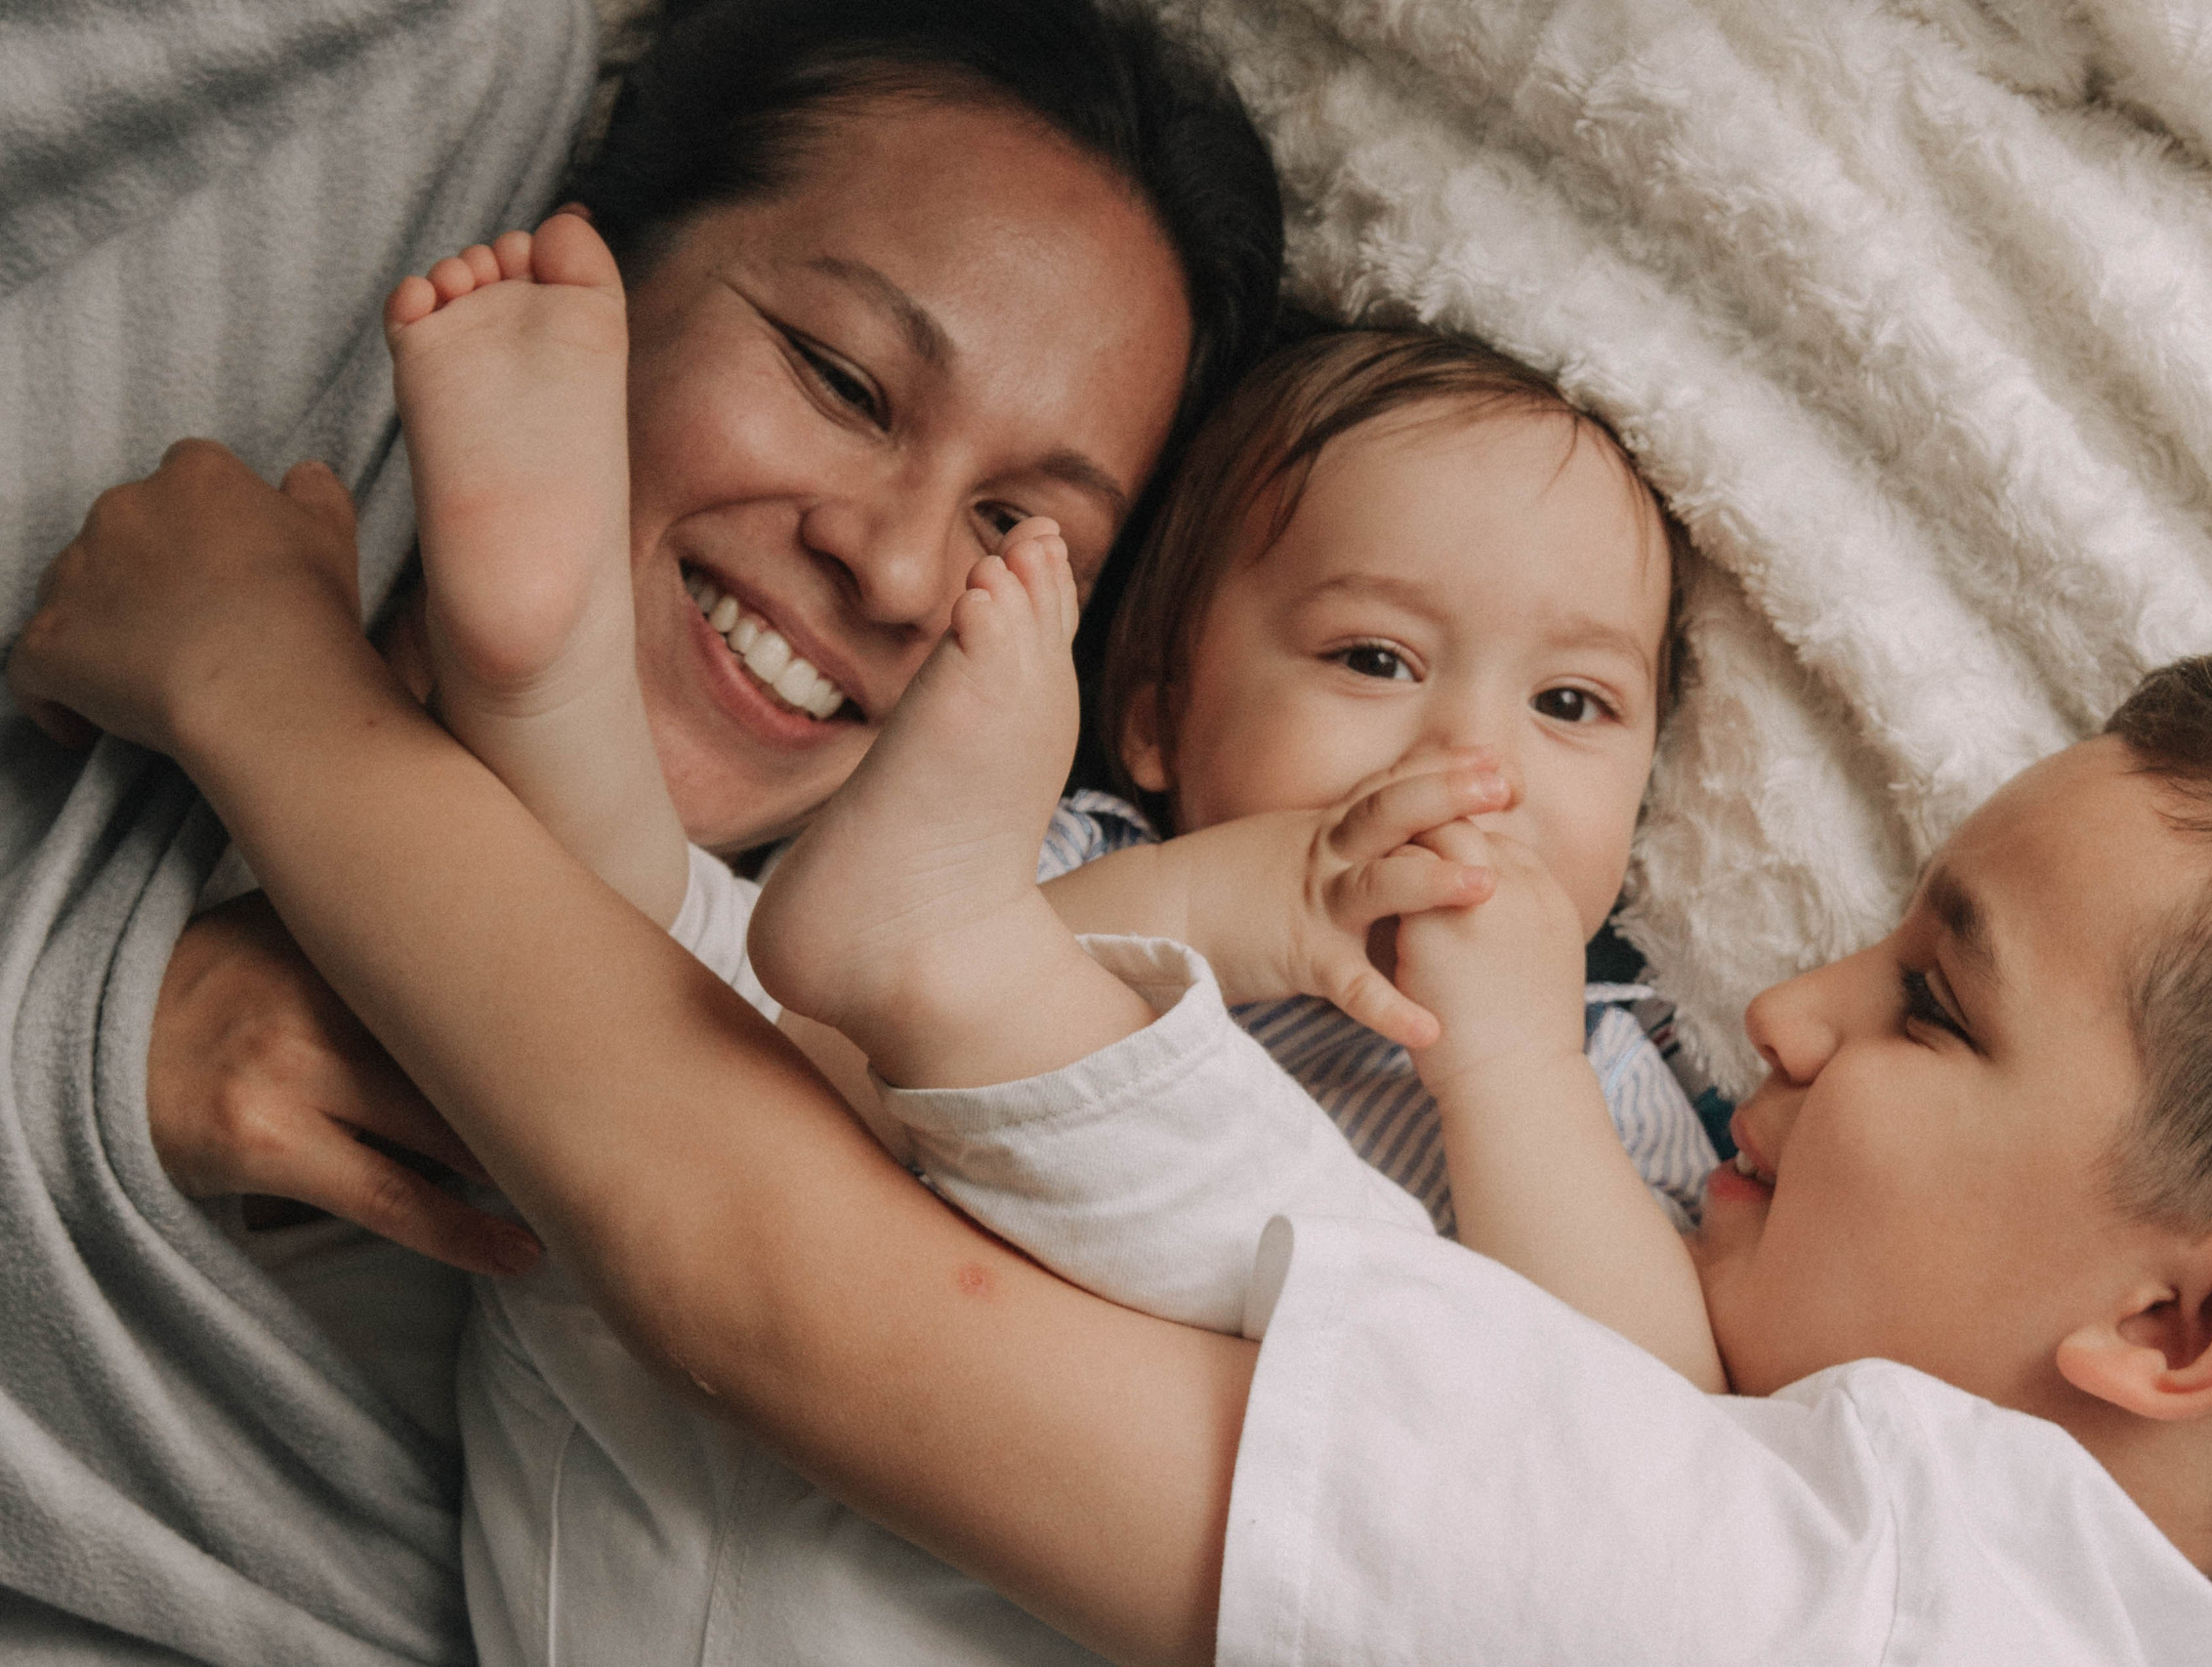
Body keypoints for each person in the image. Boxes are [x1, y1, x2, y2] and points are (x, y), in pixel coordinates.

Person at [27, 301, 2212, 1665]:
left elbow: (762, 1278)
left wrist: (263, 684)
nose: (1788, 1009)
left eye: (1936, 1007)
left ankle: (793, 861)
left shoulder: (1865, 1611)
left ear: (2184, 1333)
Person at [0, 0, 1281, 1658]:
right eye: (841, 379)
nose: (895, 572)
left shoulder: (845, 1062)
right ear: (589, 257)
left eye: (1021, 531)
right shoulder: (388, 148)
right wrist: (99, 1050)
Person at [382, 213, 1721, 1657]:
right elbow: (806, 1039)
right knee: (661, 1000)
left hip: (1015, 1580)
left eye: (1572, 705)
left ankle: (543, 688)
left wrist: (1513, 1059)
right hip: (677, 1456)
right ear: (1153, 705)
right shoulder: (1044, 842)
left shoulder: (1605, 1078)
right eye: (1372, 659)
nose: (1474, 758)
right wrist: (1238, 899)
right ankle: (540, 664)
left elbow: (1650, 1468)